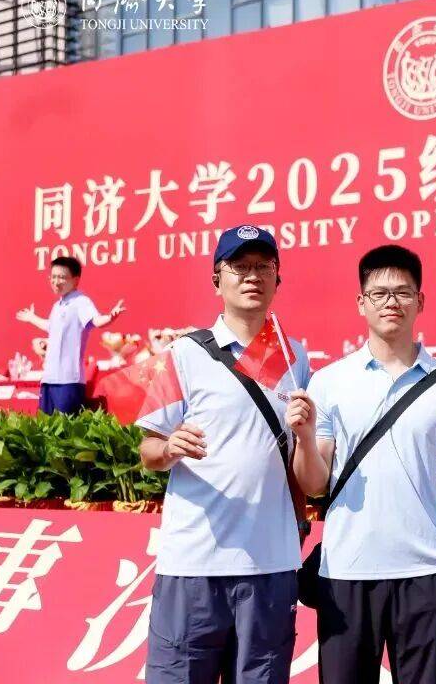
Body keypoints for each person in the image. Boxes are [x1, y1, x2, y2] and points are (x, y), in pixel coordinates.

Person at [290, 244, 436, 684]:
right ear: (361, 303)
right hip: (345, 572)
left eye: (402, 292)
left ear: (420, 301)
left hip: (425, 573)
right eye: (378, 293)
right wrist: (304, 438)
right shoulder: (330, 381)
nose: (391, 302)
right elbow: (315, 484)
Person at [136, 225, 310, 684]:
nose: (252, 276)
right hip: (194, 562)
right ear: (217, 280)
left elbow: (294, 455)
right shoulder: (185, 354)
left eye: (263, 266)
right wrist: (169, 447)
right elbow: (148, 450)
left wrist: (299, 521)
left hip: (270, 562)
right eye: (240, 266)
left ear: (277, 279)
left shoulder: (294, 358)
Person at [15, 256, 124, 414]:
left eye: (62, 277)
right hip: (49, 379)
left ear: (76, 280)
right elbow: (51, 327)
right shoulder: (57, 306)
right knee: (46, 425)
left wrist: (110, 317)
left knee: (66, 426)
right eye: (53, 277)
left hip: (69, 380)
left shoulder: (81, 301)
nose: (56, 282)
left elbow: (95, 320)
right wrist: (32, 318)